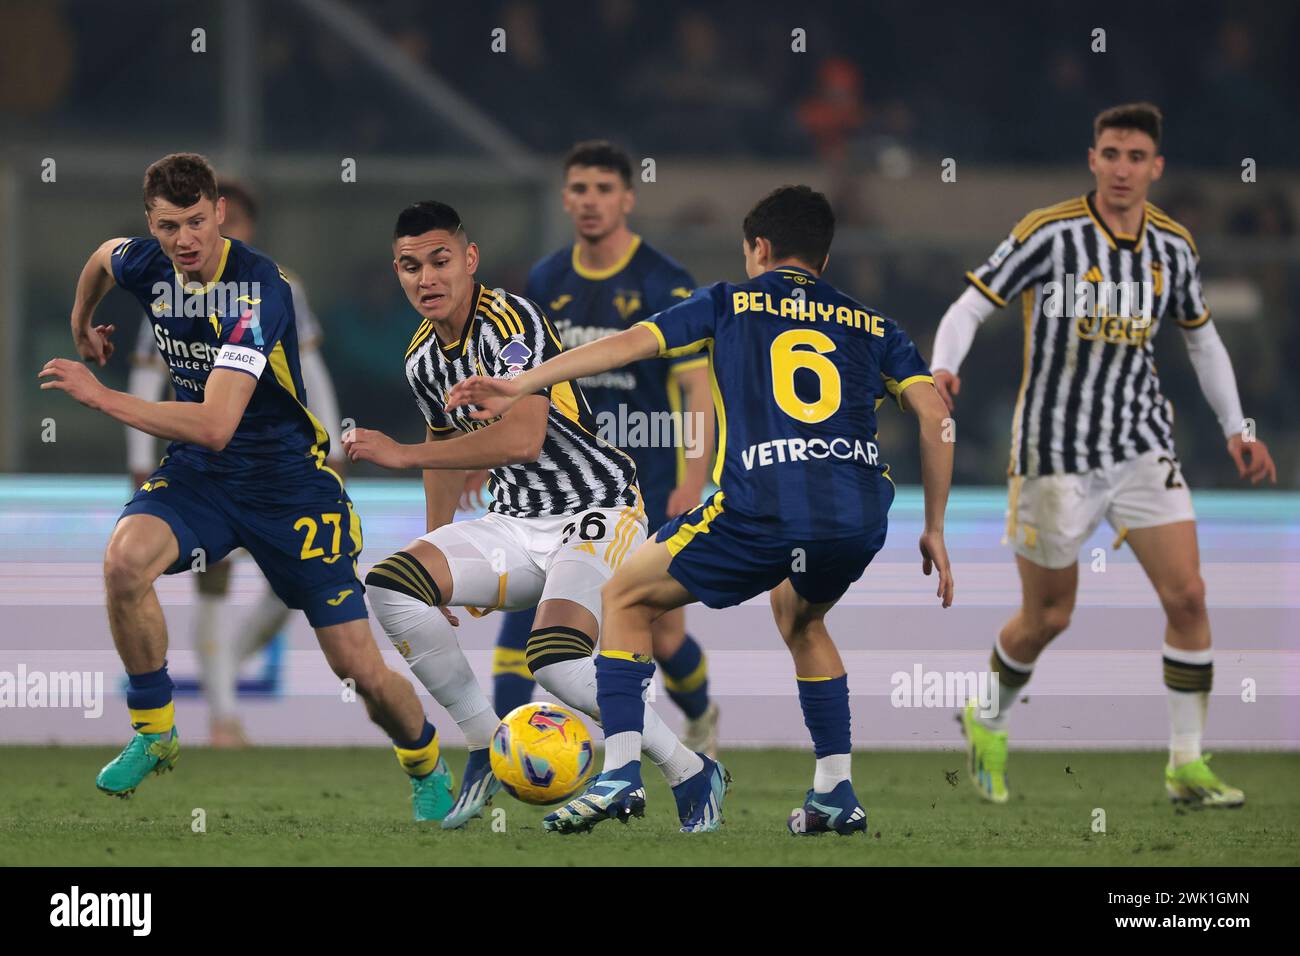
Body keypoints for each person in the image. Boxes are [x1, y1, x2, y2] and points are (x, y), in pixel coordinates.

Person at [446, 185, 954, 835]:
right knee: (799, 617)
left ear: (759, 249)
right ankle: (835, 791)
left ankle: (622, 775)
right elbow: (937, 416)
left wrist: (522, 381)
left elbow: (630, 343)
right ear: (822, 260)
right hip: (856, 517)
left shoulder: (729, 300)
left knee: (626, 595)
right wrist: (934, 527)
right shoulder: (877, 325)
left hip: (762, 507)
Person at [40, 152, 445, 818]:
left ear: (220, 213)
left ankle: (425, 760)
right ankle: (156, 729)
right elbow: (102, 258)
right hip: (205, 478)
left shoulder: (260, 289)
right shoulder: (148, 262)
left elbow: (217, 422)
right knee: (123, 561)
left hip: (290, 485)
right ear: (153, 223)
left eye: (197, 221)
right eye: (169, 226)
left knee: (358, 669)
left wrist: (101, 396)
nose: (185, 240)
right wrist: (82, 324)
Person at [928, 102, 1276, 807]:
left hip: (1142, 441)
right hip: (1052, 452)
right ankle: (986, 717)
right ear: (1093, 160)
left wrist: (1238, 427)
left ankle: (1185, 764)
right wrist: (942, 367)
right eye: (1110, 154)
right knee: (1049, 618)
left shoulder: (1173, 247)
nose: (1122, 168)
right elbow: (970, 304)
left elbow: (1201, 339)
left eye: (1135, 156)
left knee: (1189, 594)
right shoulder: (1048, 234)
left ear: (1156, 167)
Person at [342, 200, 726, 832]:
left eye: (441, 261)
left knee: (551, 658)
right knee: (391, 585)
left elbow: (522, 438)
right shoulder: (422, 360)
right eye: (411, 267)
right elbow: (442, 455)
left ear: (469, 260)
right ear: (398, 271)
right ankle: (487, 744)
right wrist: (436, 551)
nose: (426, 278)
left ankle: (688, 768)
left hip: (597, 508)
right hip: (516, 523)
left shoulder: (509, 320)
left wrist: (399, 452)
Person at [483, 140, 719, 754]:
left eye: (604, 189)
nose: (591, 202)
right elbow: (526, 382)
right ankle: (507, 761)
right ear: (565, 199)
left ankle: (698, 718)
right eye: (580, 190)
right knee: (525, 624)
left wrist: (693, 479)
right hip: (567, 483)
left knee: (661, 634)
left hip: (651, 482)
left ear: (628, 199)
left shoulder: (665, 282)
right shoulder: (545, 280)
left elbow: (697, 389)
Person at [125, 180, 344, 748]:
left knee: (294, 585)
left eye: (223, 223)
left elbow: (310, 368)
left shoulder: (277, 285)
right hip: (209, 463)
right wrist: (137, 457)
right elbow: (149, 368)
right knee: (212, 586)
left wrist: (335, 444)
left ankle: (227, 665)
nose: (193, 238)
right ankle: (223, 717)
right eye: (176, 226)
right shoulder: (167, 279)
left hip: (280, 465)